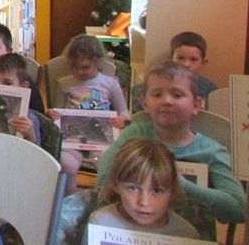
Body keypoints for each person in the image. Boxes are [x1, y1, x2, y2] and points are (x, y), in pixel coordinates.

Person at [97, 61, 244, 224]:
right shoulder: (135, 134)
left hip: (190, 234)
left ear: (196, 105)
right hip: (133, 229)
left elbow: (238, 209)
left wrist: (182, 186)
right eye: (157, 94)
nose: (166, 101)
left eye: (177, 95)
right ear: (145, 103)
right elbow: (104, 178)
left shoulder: (211, 152)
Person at [46, 34, 128, 196]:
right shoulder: (65, 83)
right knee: (67, 164)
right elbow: (58, 111)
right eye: (75, 67)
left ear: (97, 62)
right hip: (72, 139)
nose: (80, 72)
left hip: (102, 138)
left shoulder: (110, 83)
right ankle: (68, 201)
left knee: (108, 164)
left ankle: (103, 198)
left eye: (85, 67)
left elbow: (124, 111)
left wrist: (122, 119)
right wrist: (51, 113)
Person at [85, 137, 199, 240]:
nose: (144, 202)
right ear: (116, 185)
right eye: (133, 189)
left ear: (172, 191)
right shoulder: (100, 222)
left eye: (157, 190)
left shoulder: (186, 235)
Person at [131, 31, 218, 112]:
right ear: (171, 58)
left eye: (193, 59)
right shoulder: (149, 86)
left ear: (203, 63)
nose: (186, 64)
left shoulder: (211, 91)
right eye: (180, 58)